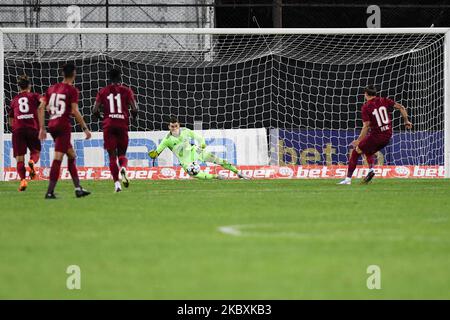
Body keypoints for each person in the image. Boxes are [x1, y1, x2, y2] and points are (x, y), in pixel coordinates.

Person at [339, 85, 412, 185]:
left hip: (376, 136)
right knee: (368, 151)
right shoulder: (384, 100)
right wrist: (406, 121)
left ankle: (347, 179)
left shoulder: (366, 107)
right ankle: (371, 170)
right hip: (387, 136)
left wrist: (359, 140)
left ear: (366, 94)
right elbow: (401, 107)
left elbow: (366, 126)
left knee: (356, 152)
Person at [38, 63, 92, 199]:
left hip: (52, 125)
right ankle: (49, 192)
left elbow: (42, 108)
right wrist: (85, 128)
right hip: (63, 126)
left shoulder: (51, 89)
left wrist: (42, 128)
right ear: (74, 74)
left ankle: (78, 188)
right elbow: (74, 111)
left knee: (72, 155)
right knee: (58, 158)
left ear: (62, 73)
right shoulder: (72, 90)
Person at [148, 117, 249, 180]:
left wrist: (202, 144)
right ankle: (215, 176)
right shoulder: (166, 140)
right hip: (185, 161)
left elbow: (199, 138)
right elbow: (157, 152)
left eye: (176, 126)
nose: (174, 128)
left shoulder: (185, 131)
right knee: (195, 174)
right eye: (172, 126)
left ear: (179, 125)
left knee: (218, 160)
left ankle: (239, 173)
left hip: (195, 151)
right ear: (169, 127)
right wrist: (154, 154)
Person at [93, 68, 138, 192]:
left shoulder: (103, 91)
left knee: (112, 157)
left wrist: (103, 118)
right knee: (122, 154)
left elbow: (95, 110)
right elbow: (135, 109)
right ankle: (123, 167)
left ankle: (117, 185)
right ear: (120, 77)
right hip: (122, 124)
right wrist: (132, 118)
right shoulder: (127, 91)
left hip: (109, 126)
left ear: (109, 78)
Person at [8, 75, 41, 191]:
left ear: (19, 87)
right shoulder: (34, 96)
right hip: (32, 128)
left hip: (18, 130)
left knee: (19, 158)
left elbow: (11, 120)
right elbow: (43, 103)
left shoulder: (15, 100)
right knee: (36, 151)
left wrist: (15, 128)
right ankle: (32, 161)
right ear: (29, 86)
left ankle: (23, 181)